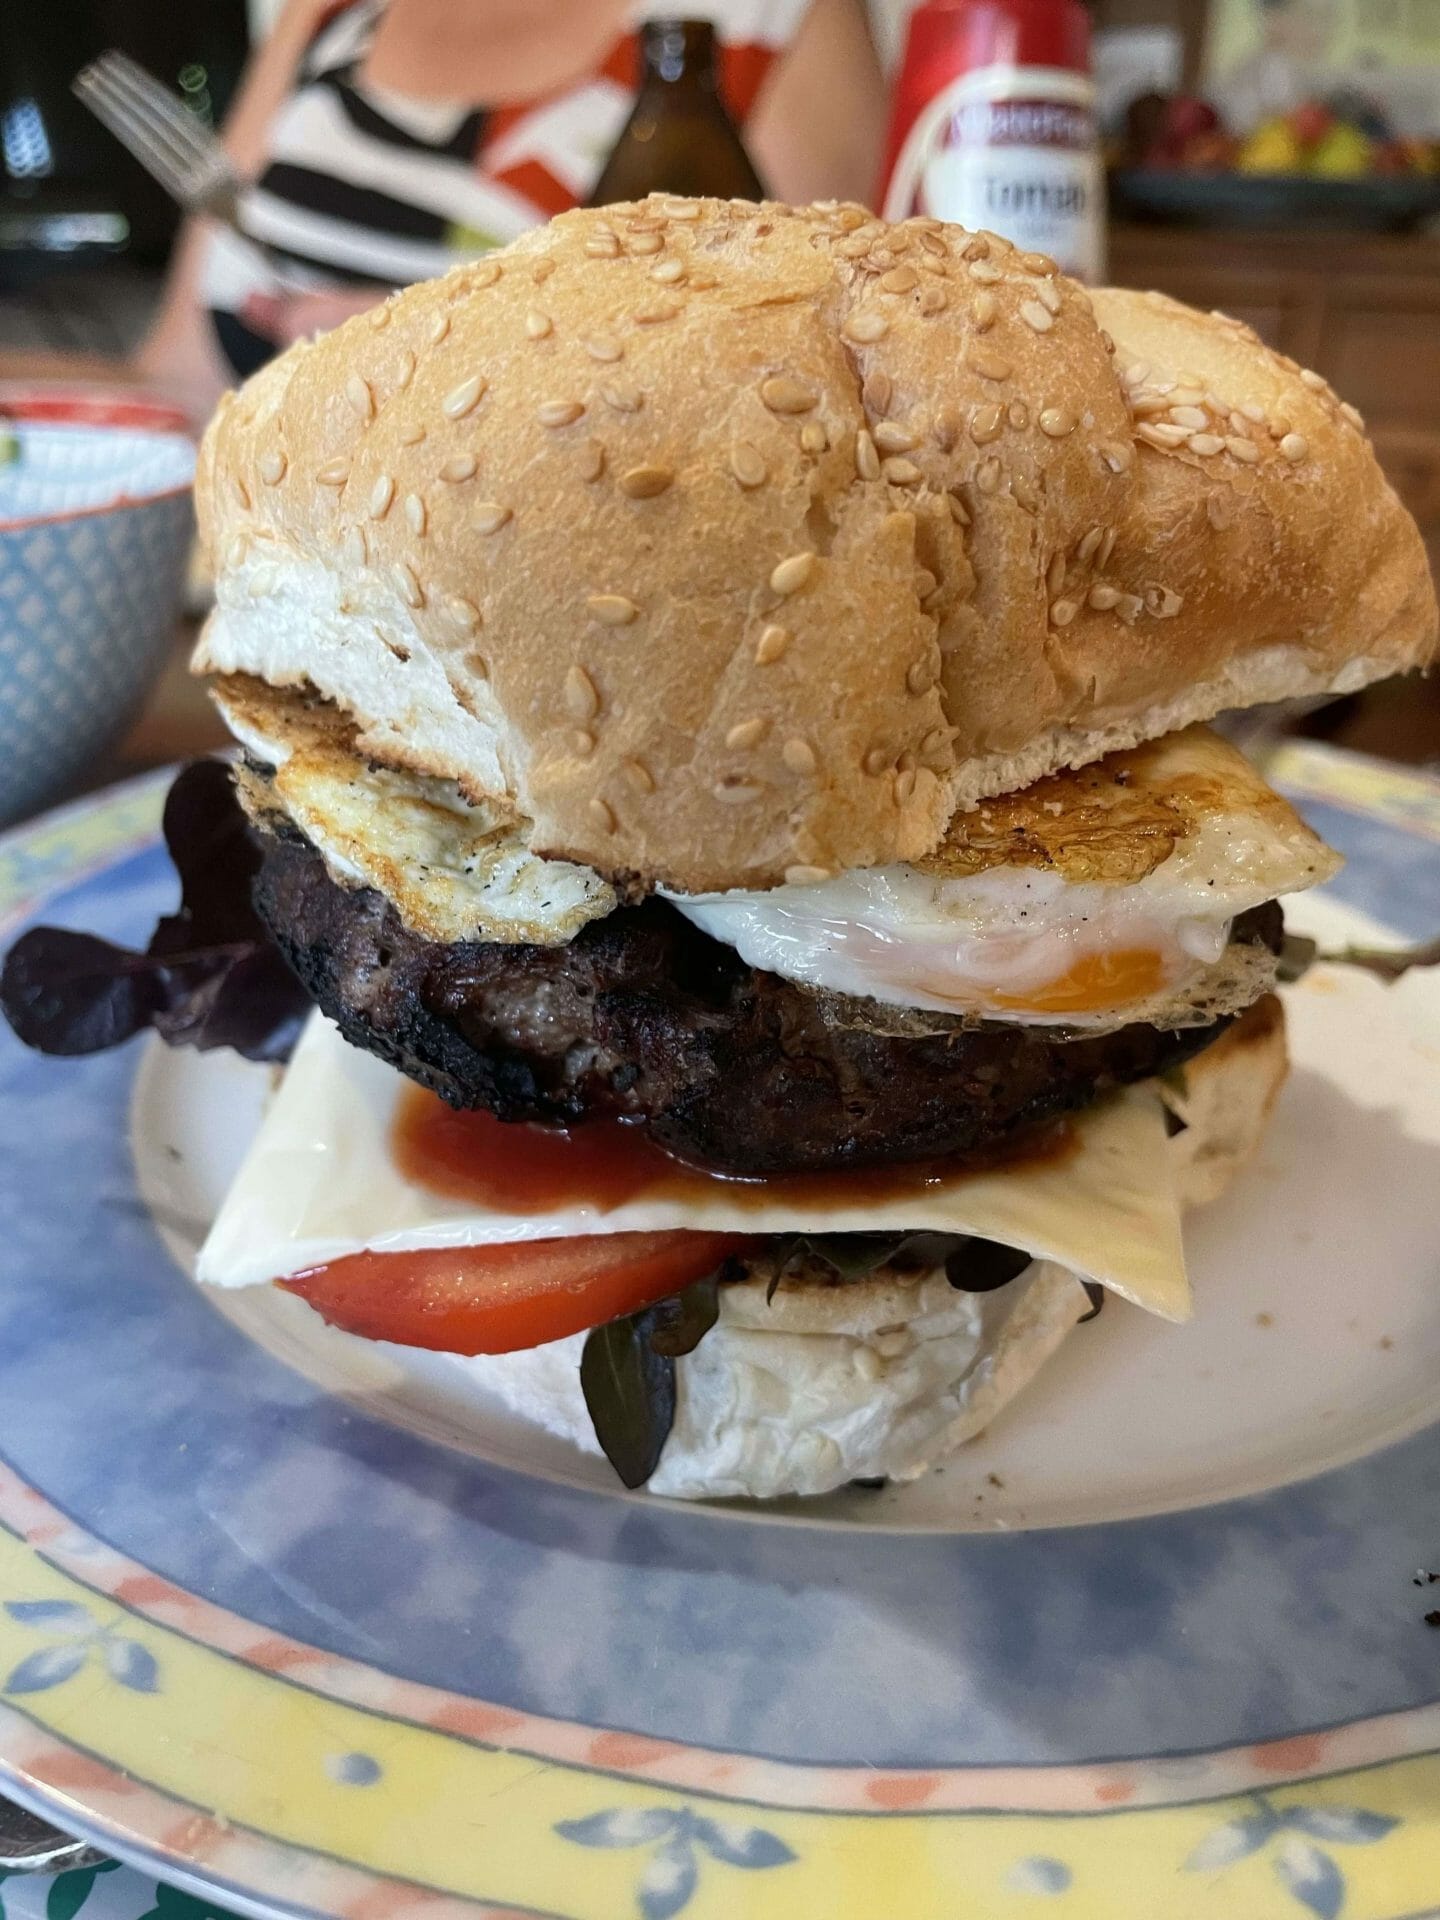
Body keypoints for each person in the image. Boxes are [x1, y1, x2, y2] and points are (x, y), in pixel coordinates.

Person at [126, 0, 885, 422]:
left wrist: (442, 344)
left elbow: (808, 395)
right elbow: (180, 377)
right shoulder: (329, 15)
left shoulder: (776, 19)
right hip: (240, 585)